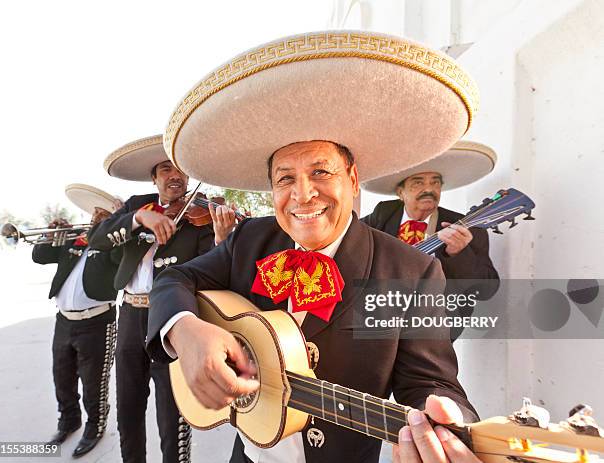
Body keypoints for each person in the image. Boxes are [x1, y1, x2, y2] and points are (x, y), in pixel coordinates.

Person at [146, 30, 485, 462]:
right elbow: (176, 276)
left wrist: (444, 422)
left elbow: (431, 383)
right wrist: (185, 330)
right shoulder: (251, 239)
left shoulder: (411, 272)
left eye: (321, 172)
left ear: (354, 180)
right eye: (285, 178)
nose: (303, 195)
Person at [89, 135, 235, 463]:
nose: (175, 176)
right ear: (154, 178)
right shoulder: (136, 205)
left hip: (170, 320)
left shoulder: (201, 216)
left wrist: (221, 239)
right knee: (128, 403)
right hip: (129, 316)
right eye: (166, 169)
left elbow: (211, 272)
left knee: (172, 411)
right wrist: (140, 218)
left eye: (181, 169)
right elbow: (98, 240)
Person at [361, 142, 500, 340]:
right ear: (401, 193)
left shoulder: (469, 229)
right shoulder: (383, 215)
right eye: (418, 182)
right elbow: (350, 242)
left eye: (435, 182)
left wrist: (459, 254)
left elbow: (486, 290)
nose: (429, 189)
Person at [32, 184, 122, 458]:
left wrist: (110, 227)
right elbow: (40, 257)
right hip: (64, 321)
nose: (95, 216)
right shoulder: (75, 239)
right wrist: (52, 235)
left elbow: (118, 258)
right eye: (94, 212)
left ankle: (94, 427)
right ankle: (68, 421)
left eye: (102, 213)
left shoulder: (113, 243)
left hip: (97, 322)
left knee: (94, 382)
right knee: (62, 377)